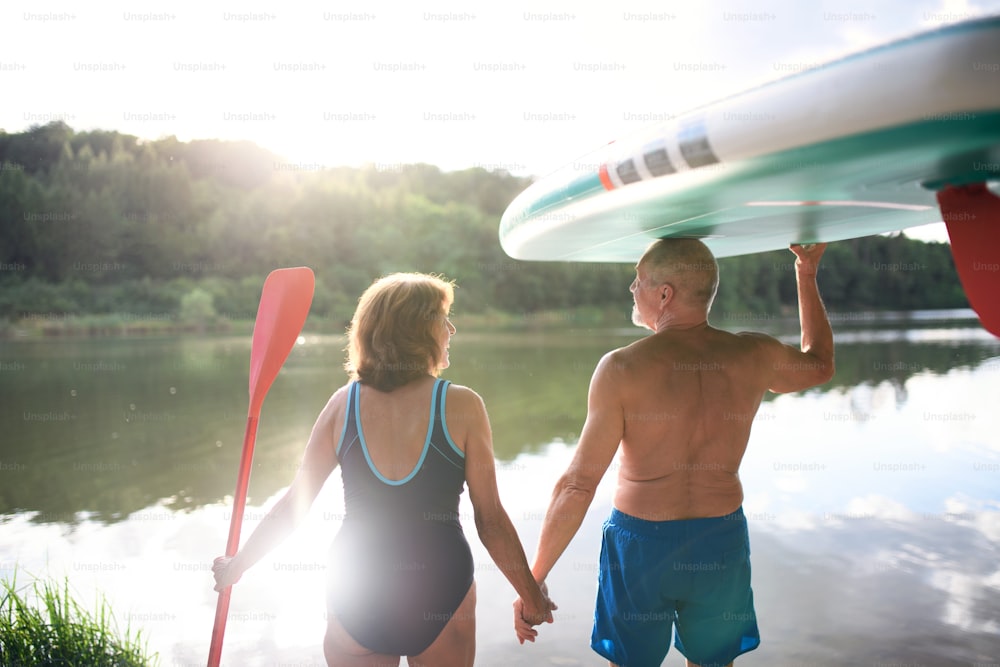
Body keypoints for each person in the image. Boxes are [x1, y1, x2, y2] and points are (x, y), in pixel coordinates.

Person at [514, 240, 835, 667]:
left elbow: (578, 484)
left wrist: (534, 581)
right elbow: (820, 364)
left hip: (642, 544)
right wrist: (807, 273)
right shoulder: (753, 354)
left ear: (665, 293)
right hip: (719, 540)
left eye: (638, 280)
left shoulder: (622, 368)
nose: (631, 288)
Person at [213, 272, 554, 667]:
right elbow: (489, 519)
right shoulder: (463, 406)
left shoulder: (342, 406)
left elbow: (294, 506)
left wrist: (238, 565)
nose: (451, 329)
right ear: (419, 331)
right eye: (443, 319)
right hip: (440, 591)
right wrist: (532, 597)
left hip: (358, 593)